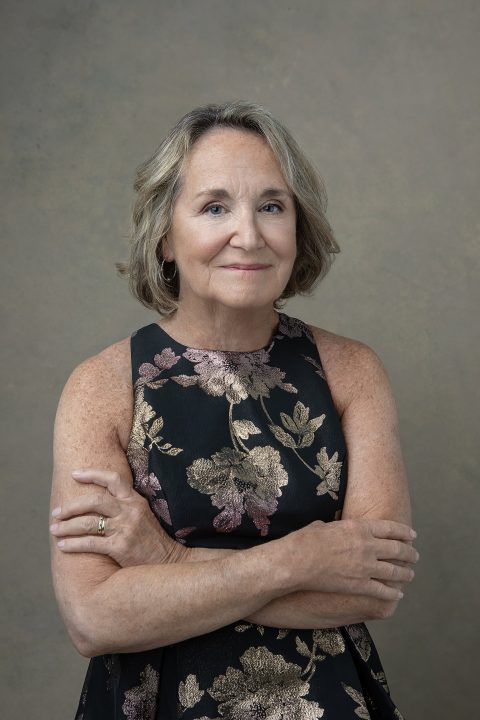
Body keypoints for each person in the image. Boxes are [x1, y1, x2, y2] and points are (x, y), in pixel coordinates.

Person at [49, 100, 419, 719]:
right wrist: (301, 559)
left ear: (298, 228)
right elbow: (95, 616)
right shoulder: (100, 387)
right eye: (215, 206)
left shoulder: (353, 371)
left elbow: (372, 587)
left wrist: (168, 563)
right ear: (165, 236)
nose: (247, 235)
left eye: (271, 206)